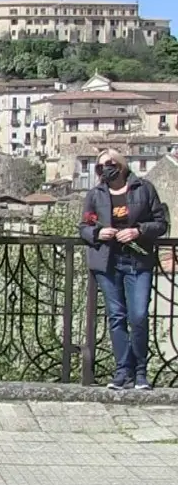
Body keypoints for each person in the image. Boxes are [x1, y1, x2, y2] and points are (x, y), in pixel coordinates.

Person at [77, 149, 169, 391]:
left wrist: (138, 231)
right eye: (100, 166)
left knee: (138, 316)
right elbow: (84, 226)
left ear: (121, 165)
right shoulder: (95, 194)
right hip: (107, 262)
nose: (105, 168)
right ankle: (122, 372)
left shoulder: (144, 189)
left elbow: (161, 223)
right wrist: (98, 233)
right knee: (116, 317)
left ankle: (140, 373)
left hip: (138, 262)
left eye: (110, 163)